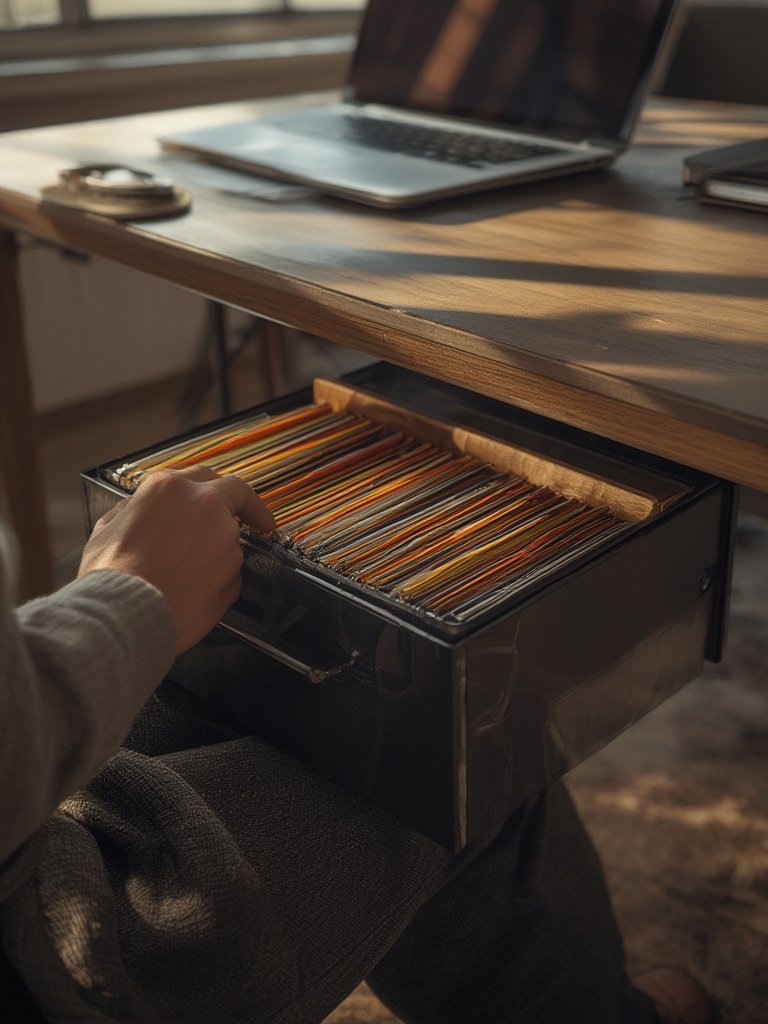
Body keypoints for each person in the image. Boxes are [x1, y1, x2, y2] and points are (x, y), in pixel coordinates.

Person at [0, 465, 718, 1023]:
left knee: (244, 687)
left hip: (26, 815)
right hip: (48, 941)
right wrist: (122, 600)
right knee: (459, 746)